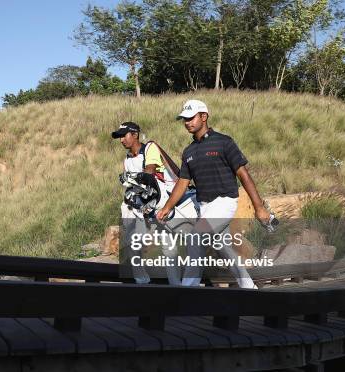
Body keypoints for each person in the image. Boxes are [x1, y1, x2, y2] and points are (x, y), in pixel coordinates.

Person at [156, 100, 271, 289]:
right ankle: (250, 289)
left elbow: (243, 174)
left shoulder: (224, 142)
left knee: (196, 237)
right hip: (205, 207)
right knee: (225, 249)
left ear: (204, 116)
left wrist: (259, 207)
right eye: (184, 119)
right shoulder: (189, 152)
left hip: (224, 202)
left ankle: (187, 291)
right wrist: (167, 207)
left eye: (191, 118)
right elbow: (183, 183)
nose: (187, 122)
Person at [112, 122, 181, 285]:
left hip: (160, 204)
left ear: (135, 134)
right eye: (119, 137)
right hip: (141, 206)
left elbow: (149, 172)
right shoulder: (127, 159)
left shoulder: (150, 148)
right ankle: (142, 281)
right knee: (132, 243)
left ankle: (176, 284)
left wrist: (130, 180)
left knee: (168, 246)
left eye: (124, 135)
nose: (121, 140)